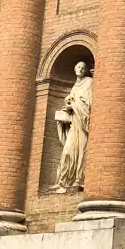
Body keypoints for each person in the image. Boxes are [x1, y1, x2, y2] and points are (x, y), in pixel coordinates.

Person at [53, 61, 92, 190]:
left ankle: (78, 180)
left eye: (82, 67)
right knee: (67, 152)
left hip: (82, 125)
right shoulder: (75, 86)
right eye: (78, 67)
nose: (80, 69)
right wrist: (68, 106)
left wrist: (74, 104)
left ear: (86, 70)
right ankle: (62, 181)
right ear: (75, 70)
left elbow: (88, 104)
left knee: (82, 152)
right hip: (73, 125)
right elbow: (73, 101)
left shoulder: (89, 82)